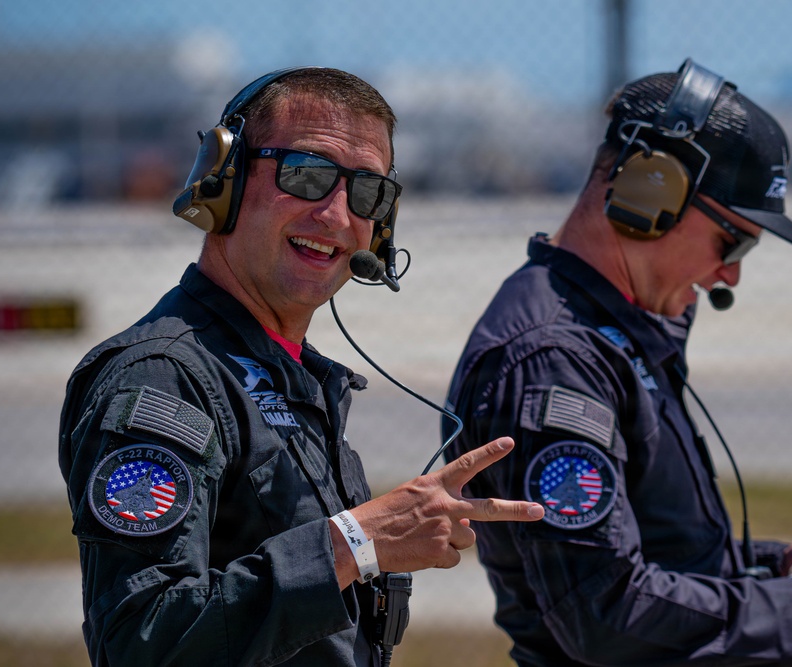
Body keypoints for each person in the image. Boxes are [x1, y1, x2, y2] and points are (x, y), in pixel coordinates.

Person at [442, 59, 792, 666]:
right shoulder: (556, 360)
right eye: (734, 240)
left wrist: (780, 566)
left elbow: (651, 549)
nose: (732, 274)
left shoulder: (612, 332)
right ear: (652, 190)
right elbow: (604, 612)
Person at [58, 66, 544, 667]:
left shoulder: (297, 379)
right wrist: (356, 542)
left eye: (367, 192)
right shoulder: (164, 378)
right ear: (224, 181)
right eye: (307, 175)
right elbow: (143, 642)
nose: (337, 216)